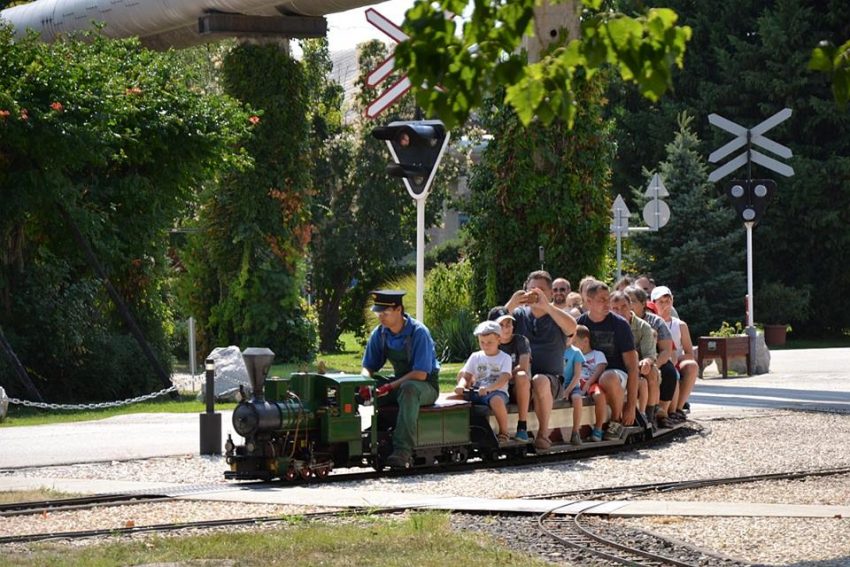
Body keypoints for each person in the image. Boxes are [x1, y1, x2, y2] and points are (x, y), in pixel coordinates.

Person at [361, 290, 440, 469]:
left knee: (409, 388)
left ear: (399, 310)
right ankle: (370, 436)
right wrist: (365, 383)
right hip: (398, 383)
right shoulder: (380, 333)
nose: (381, 317)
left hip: (425, 387)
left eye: (385, 313)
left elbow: (421, 374)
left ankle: (402, 451)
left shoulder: (419, 332)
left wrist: (389, 387)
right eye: (378, 313)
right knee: (360, 390)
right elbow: (368, 366)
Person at [505, 270, 578, 450]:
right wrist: (511, 304)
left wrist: (547, 307)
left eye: (541, 290)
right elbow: (491, 327)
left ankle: (543, 434)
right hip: (520, 381)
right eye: (531, 289)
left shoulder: (557, 315)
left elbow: (572, 328)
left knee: (540, 380)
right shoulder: (519, 315)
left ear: (550, 293)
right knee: (528, 379)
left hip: (551, 382)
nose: (535, 293)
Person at [576, 280, 639, 439]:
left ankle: (615, 420)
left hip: (615, 376)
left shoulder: (620, 325)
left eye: (608, 298)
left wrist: (631, 406)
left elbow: (632, 366)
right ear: (589, 302)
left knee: (607, 376)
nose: (607, 304)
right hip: (587, 375)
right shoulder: (580, 324)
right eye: (601, 300)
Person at [624, 286, 677, 427]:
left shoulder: (655, 322)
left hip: (654, 356)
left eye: (633, 301)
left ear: (643, 304)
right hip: (631, 360)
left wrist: (654, 364)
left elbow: (666, 350)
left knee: (669, 373)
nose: (629, 305)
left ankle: (661, 412)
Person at [452, 321, 513, 443]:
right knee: (453, 399)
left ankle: (504, 432)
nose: (485, 346)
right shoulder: (475, 356)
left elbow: (504, 378)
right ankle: (455, 430)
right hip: (476, 391)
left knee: (496, 401)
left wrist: (489, 388)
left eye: (489, 342)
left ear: (499, 340)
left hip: (496, 392)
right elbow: (467, 375)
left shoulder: (505, 358)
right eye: (482, 342)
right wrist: (461, 385)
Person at [651, 286, 698, 422]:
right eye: (661, 302)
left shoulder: (680, 325)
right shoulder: (651, 322)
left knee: (691, 366)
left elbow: (689, 352)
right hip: (658, 359)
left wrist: (677, 358)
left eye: (668, 301)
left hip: (675, 359)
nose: (665, 305)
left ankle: (678, 407)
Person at [488, 307, 532, 441]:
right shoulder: (490, 343)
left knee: (522, 376)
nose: (506, 328)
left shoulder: (521, 341)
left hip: (516, 387)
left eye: (509, 324)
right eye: (501, 325)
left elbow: (523, 366)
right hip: (498, 387)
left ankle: (522, 426)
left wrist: (505, 375)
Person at [610, 290, 655, 420]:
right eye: (615, 308)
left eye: (623, 307)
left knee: (652, 372)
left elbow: (650, 353)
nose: (620, 311)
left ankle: (649, 414)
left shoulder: (643, 327)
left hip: (638, 366)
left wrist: (646, 361)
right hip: (616, 366)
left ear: (630, 306)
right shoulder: (608, 324)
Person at [572, 324, 609, 442]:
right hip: (576, 382)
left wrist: (588, 383)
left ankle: (598, 428)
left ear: (585, 341)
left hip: (591, 382)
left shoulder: (597, 354)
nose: (572, 345)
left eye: (575, 342)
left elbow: (600, 368)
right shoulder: (572, 355)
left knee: (599, 395)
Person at [562, 330, 585, 446]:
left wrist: (567, 391)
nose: (567, 338)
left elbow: (577, 375)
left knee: (577, 398)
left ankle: (575, 431)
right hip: (558, 385)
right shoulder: (555, 350)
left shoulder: (576, 352)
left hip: (571, 385)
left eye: (569, 335)